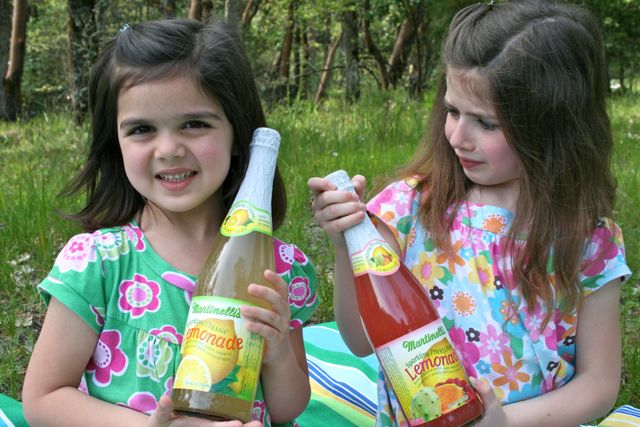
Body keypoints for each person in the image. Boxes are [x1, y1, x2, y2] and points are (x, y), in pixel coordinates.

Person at [309, 1, 631, 426]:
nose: (458, 136)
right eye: (452, 111)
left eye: (486, 123)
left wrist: (504, 422)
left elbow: (599, 383)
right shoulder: (410, 210)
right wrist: (344, 244)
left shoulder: (588, 241)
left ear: (553, 126)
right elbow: (361, 341)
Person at [22, 18, 318, 427]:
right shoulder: (99, 263)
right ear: (116, 143)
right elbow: (43, 399)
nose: (169, 149)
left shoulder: (275, 268)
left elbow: (288, 409)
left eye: (194, 124)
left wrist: (278, 352)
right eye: (142, 129)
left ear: (238, 134)